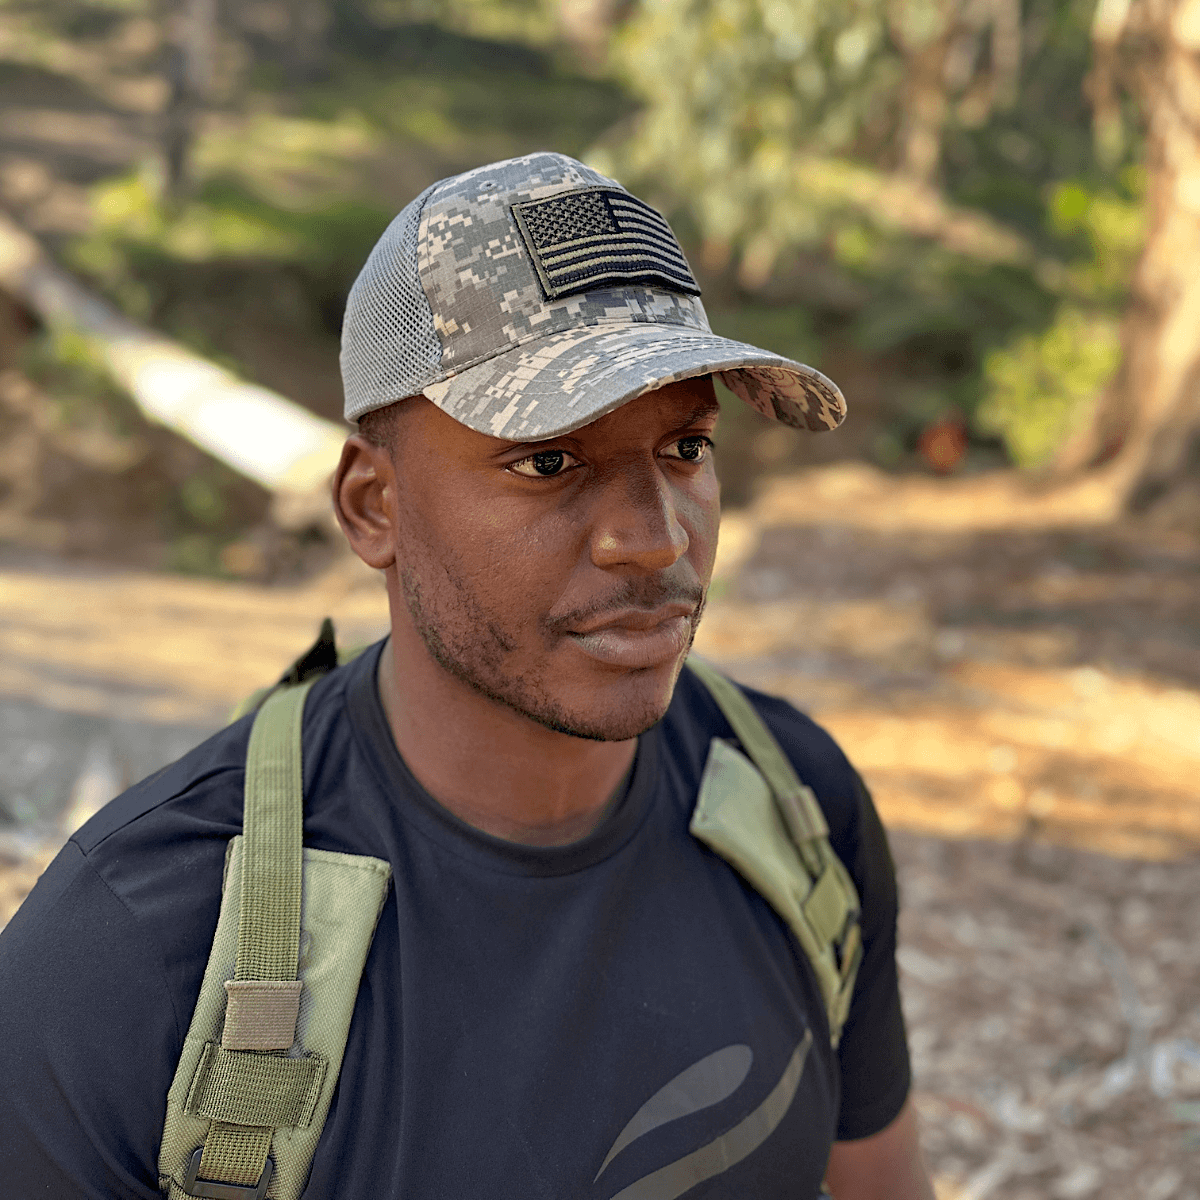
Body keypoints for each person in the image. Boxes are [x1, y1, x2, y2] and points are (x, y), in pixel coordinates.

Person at [0, 152, 933, 1200]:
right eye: (549, 461)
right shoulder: (130, 952)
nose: (654, 538)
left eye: (684, 447)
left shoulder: (792, 807)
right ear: (372, 507)